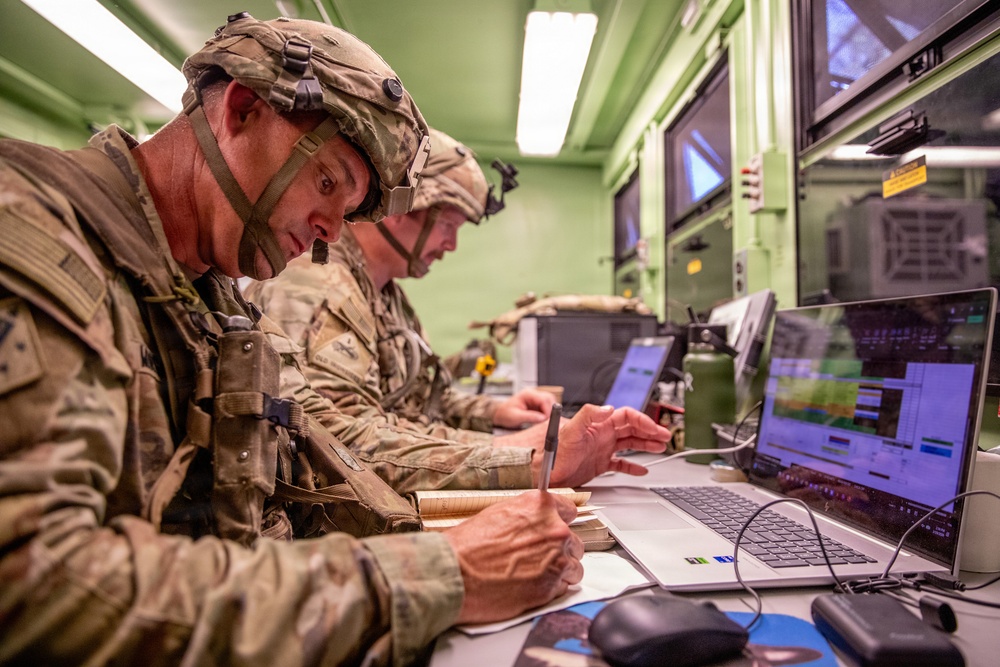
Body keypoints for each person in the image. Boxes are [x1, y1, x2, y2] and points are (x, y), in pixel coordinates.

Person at [0, 13, 668, 665]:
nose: (329, 231)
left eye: (347, 209)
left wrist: (497, 506)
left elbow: (310, 465)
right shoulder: (38, 238)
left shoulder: (205, 292)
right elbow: (39, 589)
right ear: (241, 111)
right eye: (328, 184)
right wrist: (440, 568)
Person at [248, 128, 670, 494]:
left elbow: (418, 404)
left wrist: (496, 413)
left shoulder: (385, 294)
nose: (450, 246)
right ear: (402, 210)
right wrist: (516, 455)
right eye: (448, 225)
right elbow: (337, 444)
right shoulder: (320, 288)